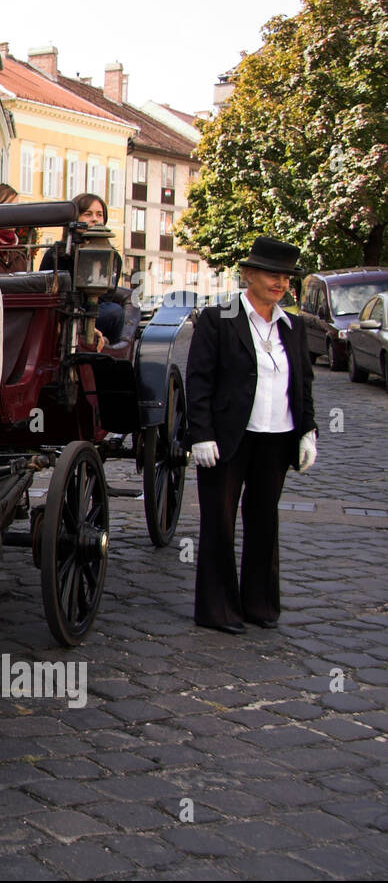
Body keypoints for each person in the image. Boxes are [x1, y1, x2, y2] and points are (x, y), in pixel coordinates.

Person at [185, 236, 318, 634]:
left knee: (264, 521)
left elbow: (303, 383)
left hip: (276, 437)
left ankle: (260, 604)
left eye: (286, 277)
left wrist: (307, 430)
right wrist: (200, 434)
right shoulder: (218, 317)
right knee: (219, 523)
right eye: (272, 274)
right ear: (248, 275)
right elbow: (199, 378)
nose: (280, 283)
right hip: (227, 437)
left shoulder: (293, 326)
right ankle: (218, 609)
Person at [39, 192, 125, 345]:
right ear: (75, 219)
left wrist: (88, 324)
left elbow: (105, 298)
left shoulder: (113, 257)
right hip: (62, 314)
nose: (94, 219)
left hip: (93, 313)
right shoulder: (56, 254)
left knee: (114, 311)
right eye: (88, 214)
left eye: (99, 215)